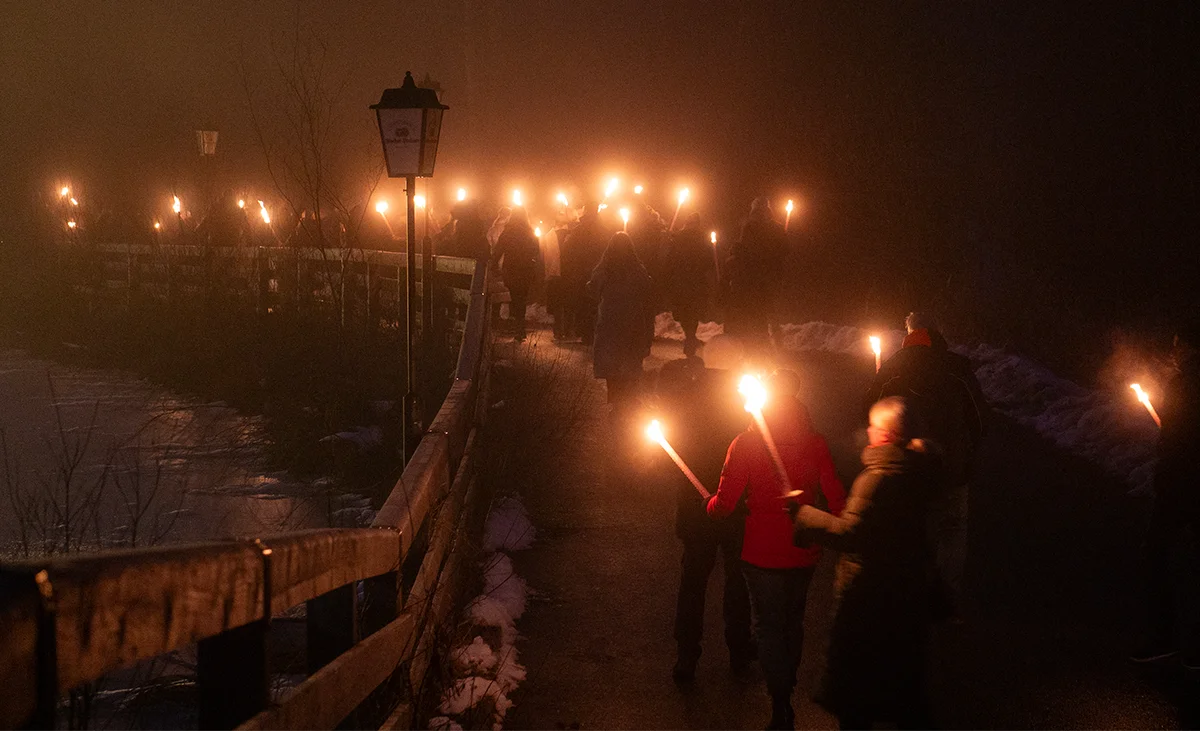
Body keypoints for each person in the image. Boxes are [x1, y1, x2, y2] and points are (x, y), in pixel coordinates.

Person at [793, 396, 944, 729]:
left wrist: (803, 515)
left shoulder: (877, 480)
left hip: (869, 596)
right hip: (907, 593)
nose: (869, 432)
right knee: (904, 686)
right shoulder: (921, 474)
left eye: (874, 427)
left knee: (856, 687)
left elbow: (851, 534)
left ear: (886, 436)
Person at [708, 369, 846, 730]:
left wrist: (709, 504)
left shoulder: (745, 443)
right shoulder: (815, 443)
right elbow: (835, 494)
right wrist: (844, 526)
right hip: (803, 547)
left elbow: (726, 503)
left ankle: (779, 699)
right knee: (792, 623)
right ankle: (787, 688)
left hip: (761, 551)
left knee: (768, 626)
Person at [865, 311, 986, 615]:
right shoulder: (957, 367)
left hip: (909, 470)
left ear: (909, 332)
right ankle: (945, 601)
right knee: (952, 531)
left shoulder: (893, 368)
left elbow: (870, 412)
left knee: (916, 530)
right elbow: (980, 418)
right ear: (936, 333)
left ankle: (913, 597)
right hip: (952, 469)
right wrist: (969, 452)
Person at [655, 355, 754, 685]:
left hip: (699, 510)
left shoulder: (685, 408)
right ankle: (739, 650)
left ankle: (687, 654)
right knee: (737, 582)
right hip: (736, 509)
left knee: (694, 582)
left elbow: (666, 460)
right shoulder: (746, 410)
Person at [1131, 323, 1200, 668]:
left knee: (1156, 553)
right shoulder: (1183, 382)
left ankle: (1165, 637)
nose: (1174, 352)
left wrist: (1169, 439)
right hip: (1182, 481)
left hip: (1181, 483)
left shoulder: (1185, 383)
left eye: (1179, 345)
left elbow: (1176, 438)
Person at [587, 232, 654, 410]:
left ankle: (615, 396)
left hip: (610, 319)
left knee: (611, 357)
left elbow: (593, 288)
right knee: (629, 357)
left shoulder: (604, 268)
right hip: (632, 319)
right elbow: (647, 290)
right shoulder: (637, 269)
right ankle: (627, 396)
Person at [726, 197, 787, 355]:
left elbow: (746, 249)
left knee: (756, 314)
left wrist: (736, 253)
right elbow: (783, 252)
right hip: (768, 279)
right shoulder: (776, 228)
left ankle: (758, 348)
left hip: (753, 279)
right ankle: (770, 347)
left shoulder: (751, 226)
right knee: (767, 313)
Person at [665, 212, 715, 357]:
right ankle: (691, 335)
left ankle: (690, 335)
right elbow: (708, 260)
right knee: (693, 309)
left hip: (683, 280)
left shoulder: (679, 238)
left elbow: (671, 259)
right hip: (696, 281)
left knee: (685, 309)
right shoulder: (701, 238)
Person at [491, 207, 540, 342]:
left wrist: (493, 265)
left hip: (511, 270)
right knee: (522, 299)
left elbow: (499, 249)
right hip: (525, 270)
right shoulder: (529, 231)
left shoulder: (508, 231)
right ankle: (520, 328)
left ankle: (518, 327)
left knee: (515, 297)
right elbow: (536, 249)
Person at [565, 203, 611, 345]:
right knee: (596, 303)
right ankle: (596, 331)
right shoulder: (604, 229)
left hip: (581, 272)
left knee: (583, 303)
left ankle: (586, 333)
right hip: (598, 271)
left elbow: (568, 250)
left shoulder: (579, 230)